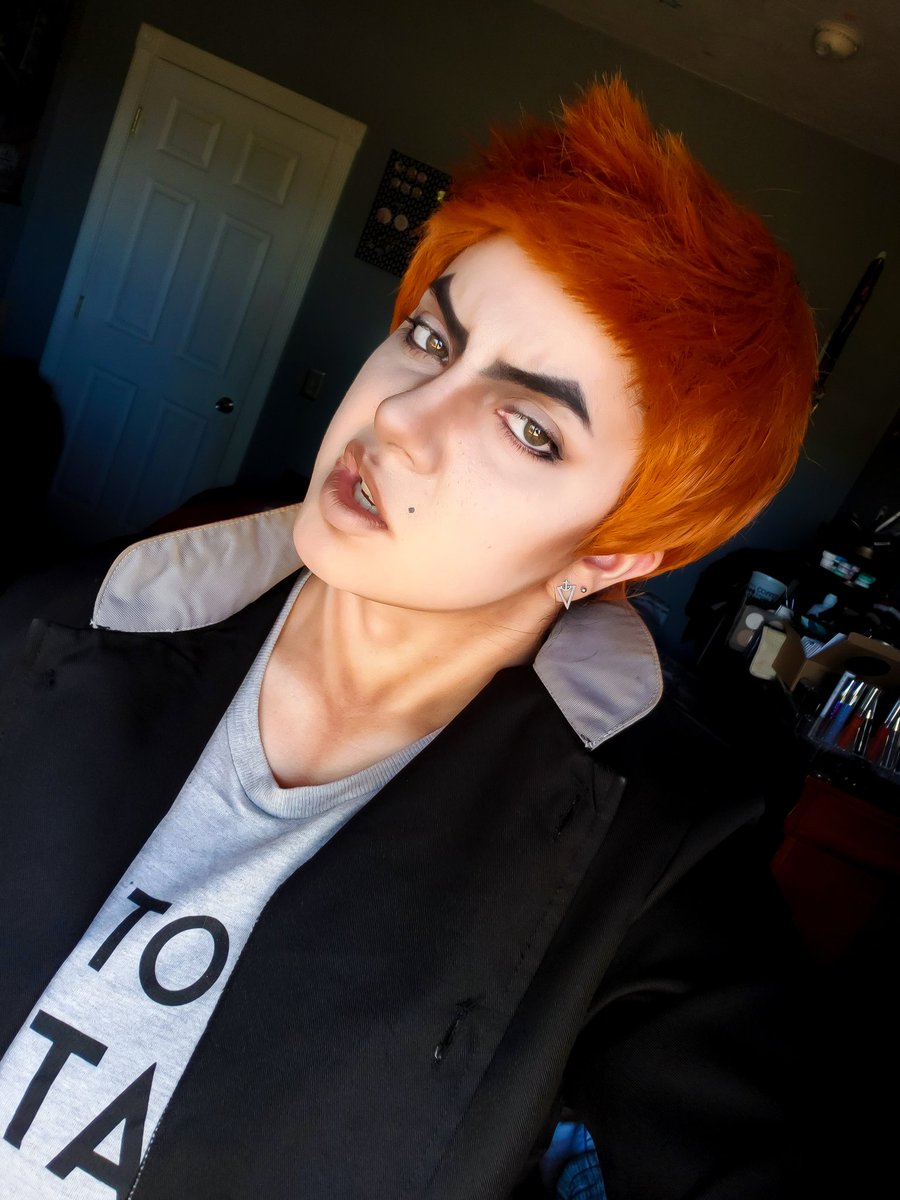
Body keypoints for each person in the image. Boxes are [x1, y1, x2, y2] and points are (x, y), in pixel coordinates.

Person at [0, 79, 817, 1199]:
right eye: (432, 338)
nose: (399, 415)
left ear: (610, 556)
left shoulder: (655, 868)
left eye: (529, 426)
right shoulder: (86, 606)